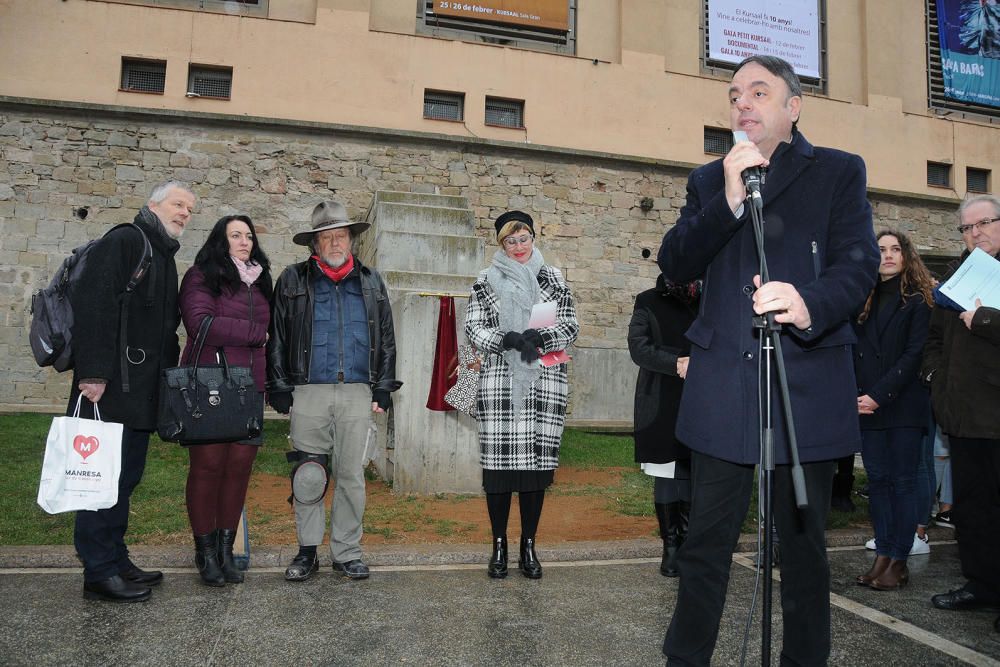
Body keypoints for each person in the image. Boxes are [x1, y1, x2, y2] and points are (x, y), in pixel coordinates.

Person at [657, 56, 879, 664]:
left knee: (804, 555)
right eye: (734, 96)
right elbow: (674, 264)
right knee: (703, 548)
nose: (743, 104)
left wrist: (809, 303)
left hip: (800, 385)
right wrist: (727, 202)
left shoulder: (837, 172)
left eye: (759, 92)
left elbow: (858, 264)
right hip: (724, 385)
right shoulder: (708, 181)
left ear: (793, 106)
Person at [70, 181, 195, 602]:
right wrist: (92, 373)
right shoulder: (126, 239)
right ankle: (98, 571)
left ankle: (116, 557)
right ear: (153, 204)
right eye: (178, 204)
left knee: (125, 478)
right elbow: (93, 303)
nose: (184, 213)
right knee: (99, 481)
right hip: (106, 388)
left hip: (140, 390)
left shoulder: (163, 254)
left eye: (190, 210)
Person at [267, 200, 401, 582]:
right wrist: (278, 386)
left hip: (357, 392)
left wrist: (384, 385)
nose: (335, 243)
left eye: (340, 235)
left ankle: (346, 552)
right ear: (315, 244)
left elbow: (387, 338)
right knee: (308, 476)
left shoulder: (372, 281)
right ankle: (307, 551)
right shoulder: (292, 280)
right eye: (326, 237)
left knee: (350, 477)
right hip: (308, 391)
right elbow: (276, 337)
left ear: (352, 240)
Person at [465, 210, 579, 580]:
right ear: (501, 244)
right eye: (510, 241)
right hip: (500, 384)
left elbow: (569, 323)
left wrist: (542, 337)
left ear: (533, 239)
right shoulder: (485, 280)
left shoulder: (552, 277)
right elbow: (473, 326)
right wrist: (505, 338)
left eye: (524, 238)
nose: (518, 246)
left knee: (534, 472)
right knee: (498, 473)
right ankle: (499, 545)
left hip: (542, 382)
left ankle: (528, 545)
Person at [178, 215, 272, 586]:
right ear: (221, 240)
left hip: (251, 386)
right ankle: (204, 554)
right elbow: (199, 322)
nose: (244, 241)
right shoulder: (201, 275)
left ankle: (225, 550)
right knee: (208, 467)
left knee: (238, 470)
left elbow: (274, 333)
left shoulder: (262, 280)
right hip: (211, 385)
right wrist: (255, 333)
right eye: (236, 235)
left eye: (249, 236)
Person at [922, 194, 1000, 632]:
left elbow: (983, 323)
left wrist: (985, 318)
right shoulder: (956, 275)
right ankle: (982, 584)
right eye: (967, 228)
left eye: (984, 223)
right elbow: (934, 338)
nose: (975, 233)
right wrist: (935, 379)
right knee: (972, 508)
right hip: (962, 415)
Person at [853, 230, 934, 590]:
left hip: (902, 405)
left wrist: (877, 395)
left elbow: (913, 354)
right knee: (878, 482)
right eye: (881, 250)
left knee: (902, 483)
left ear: (906, 256)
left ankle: (899, 560)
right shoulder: (862, 301)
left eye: (895, 249)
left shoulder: (919, 301)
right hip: (868, 408)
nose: (887, 255)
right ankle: (882, 555)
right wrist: (858, 396)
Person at [627, 274, 699, 577]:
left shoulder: (713, 298)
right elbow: (638, 347)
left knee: (695, 471)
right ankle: (671, 547)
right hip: (661, 396)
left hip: (703, 397)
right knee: (667, 471)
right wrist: (677, 362)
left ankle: (690, 545)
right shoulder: (648, 300)